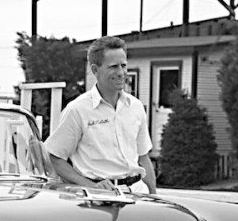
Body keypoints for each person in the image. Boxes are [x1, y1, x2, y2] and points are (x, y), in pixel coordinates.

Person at [44, 36, 157, 194]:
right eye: (113, 67)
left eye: (123, 65)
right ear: (95, 70)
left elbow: (143, 157)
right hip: (99, 197)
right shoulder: (77, 110)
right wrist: (90, 185)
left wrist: (154, 195)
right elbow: (54, 158)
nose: (121, 72)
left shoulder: (136, 107)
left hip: (138, 193)